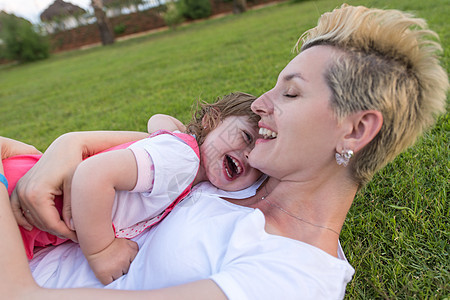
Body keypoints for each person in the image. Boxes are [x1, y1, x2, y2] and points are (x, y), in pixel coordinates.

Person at [2, 4, 447, 299]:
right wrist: (67, 146)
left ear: (354, 131)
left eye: (290, 95)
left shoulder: (291, 276)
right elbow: (156, 145)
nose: (258, 104)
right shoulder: (233, 178)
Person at [3, 92, 262, 284]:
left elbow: (159, 120)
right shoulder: (183, 160)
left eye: (260, 162)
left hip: (28, 193)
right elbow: (92, 175)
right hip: (30, 201)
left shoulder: (181, 150)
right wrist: (102, 250)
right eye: (246, 137)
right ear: (210, 121)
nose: (248, 156)